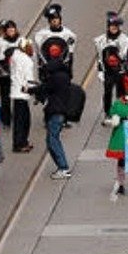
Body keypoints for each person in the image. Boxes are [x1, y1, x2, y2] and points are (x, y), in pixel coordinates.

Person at [38, 49, 78, 179]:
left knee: (53, 140)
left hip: (55, 112)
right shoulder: (65, 76)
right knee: (52, 139)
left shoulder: (55, 78)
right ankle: (62, 167)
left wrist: (31, 89)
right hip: (61, 112)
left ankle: (63, 167)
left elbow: (44, 88)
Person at [8, 38, 37, 152]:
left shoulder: (15, 57)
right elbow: (29, 78)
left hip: (16, 91)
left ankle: (21, 142)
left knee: (19, 119)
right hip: (22, 92)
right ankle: (20, 143)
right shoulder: (26, 60)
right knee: (23, 121)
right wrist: (34, 90)